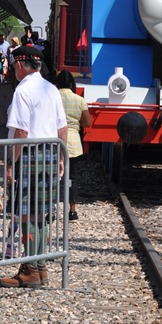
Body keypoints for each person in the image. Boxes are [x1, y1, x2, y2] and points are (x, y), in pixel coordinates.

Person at [0, 44, 68, 289]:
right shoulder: (51, 89)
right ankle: (40, 269)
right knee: (41, 216)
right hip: (50, 153)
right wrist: (61, 157)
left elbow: (21, 131)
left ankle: (31, 270)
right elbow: (62, 128)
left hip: (29, 155)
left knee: (28, 215)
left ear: (19, 64)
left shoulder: (23, 90)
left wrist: (10, 163)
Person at [55, 70, 91, 221]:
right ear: (71, 84)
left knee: (53, 177)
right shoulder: (79, 100)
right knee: (71, 178)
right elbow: (87, 122)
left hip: (54, 141)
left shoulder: (52, 97)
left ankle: (51, 210)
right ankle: (72, 210)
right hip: (73, 144)